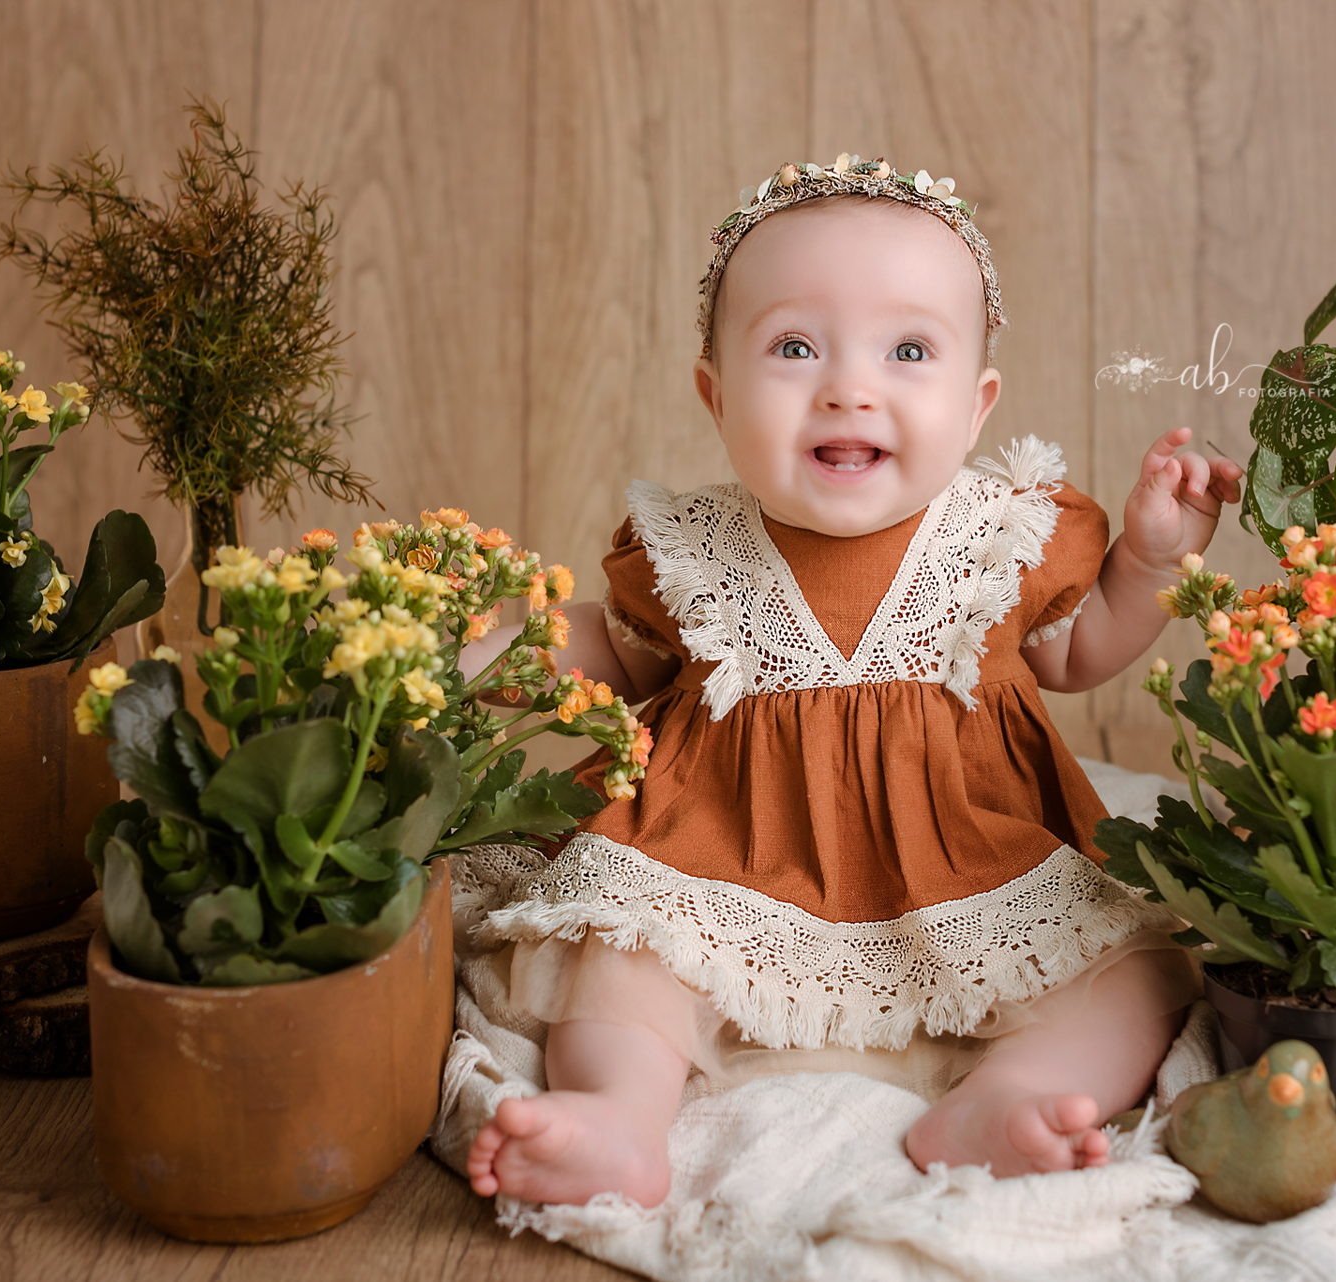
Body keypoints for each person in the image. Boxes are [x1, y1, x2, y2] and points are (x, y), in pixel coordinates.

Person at [460, 156, 1243, 1208]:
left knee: (1136, 979)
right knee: (620, 960)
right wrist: (475, 655)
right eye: (794, 347)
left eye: (908, 350)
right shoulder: (695, 545)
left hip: (971, 864)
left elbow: (1076, 650)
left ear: (976, 405)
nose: (849, 386)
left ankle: (1005, 1097)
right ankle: (617, 1114)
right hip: (724, 867)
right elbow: (618, 653)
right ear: (715, 394)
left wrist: (1147, 564)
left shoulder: (1001, 534)